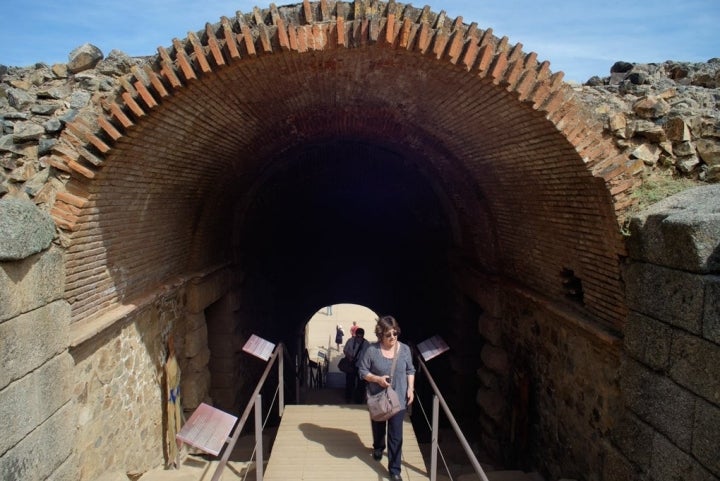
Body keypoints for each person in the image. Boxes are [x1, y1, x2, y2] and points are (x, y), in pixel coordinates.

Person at [358, 316, 415, 481]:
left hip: (399, 399)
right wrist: (377, 379)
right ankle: (378, 446)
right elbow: (362, 371)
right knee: (378, 427)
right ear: (380, 335)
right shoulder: (372, 350)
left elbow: (410, 370)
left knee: (396, 435)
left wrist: (410, 388)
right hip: (378, 398)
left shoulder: (404, 349)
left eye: (395, 333)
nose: (393, 338)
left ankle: (394, 470)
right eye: (388, 335)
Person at [342, 327, 369, 402]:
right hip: (351, 365)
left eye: (361, 337)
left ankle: (359, 400)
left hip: (361, 366)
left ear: (363, 336)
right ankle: (348, 398)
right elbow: (345, 350)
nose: (359, 339)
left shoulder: (366, 344)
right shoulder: (350, 341)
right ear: (355, 335)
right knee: (349, 382)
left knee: (361, 384)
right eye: (358, 336)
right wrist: (349, 357)